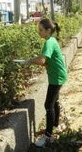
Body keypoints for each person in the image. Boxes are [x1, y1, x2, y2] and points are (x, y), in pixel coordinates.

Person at [22, 18, 67, 147]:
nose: (39, 32)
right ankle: (56, 126)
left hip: (56, 78)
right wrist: (40, 62)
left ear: (48, 30)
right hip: (58, 75)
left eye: (41, 30)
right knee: (55, 102)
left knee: (48, 105)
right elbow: (47, 61)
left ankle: (48, 136)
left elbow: (42, 60)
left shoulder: (49, 43)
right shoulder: (51, 40)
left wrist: (29, 60)